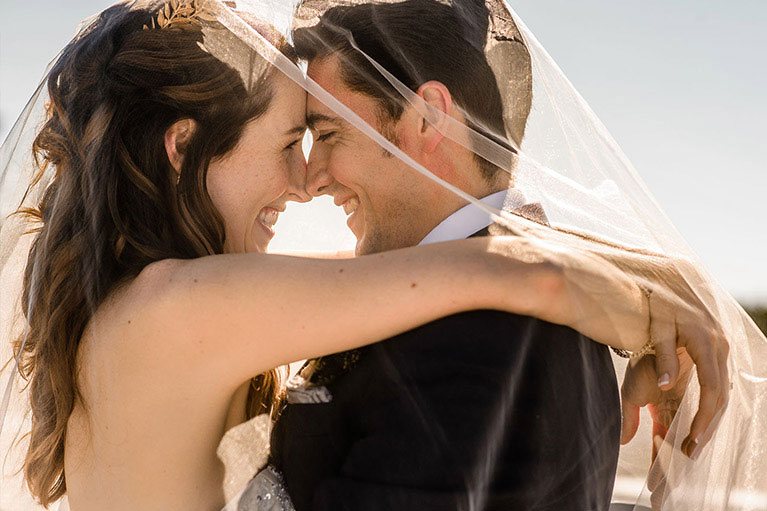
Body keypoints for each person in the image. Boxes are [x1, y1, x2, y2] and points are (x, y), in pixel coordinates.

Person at [0, 2, 692, 510]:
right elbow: (506, 271)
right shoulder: (176, 307)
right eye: (289, 142)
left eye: (323, 135)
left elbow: (419, 274)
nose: (305, 183)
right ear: (182, 148)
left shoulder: (154, 302)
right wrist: (668, 302)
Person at [261, 1, 730, 510]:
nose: (313, 178)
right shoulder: (518, 286)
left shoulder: (484, 333)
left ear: (427, 118)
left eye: (329, 134)